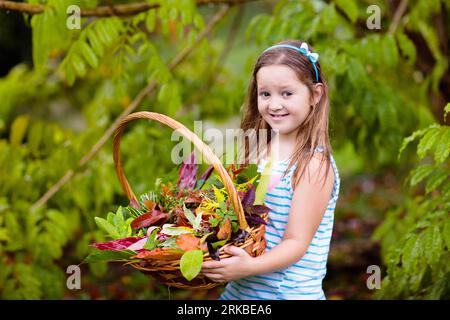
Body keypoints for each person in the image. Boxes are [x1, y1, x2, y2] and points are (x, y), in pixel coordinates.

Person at [201, 39, 341, 300]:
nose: (274, 104)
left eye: (286, 93)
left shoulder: (312, 164)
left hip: (286, 294)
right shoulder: (258, 149)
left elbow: (296, 243)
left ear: (315, 95)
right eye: (265, 94)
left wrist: (249, 267)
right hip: (241, 293)